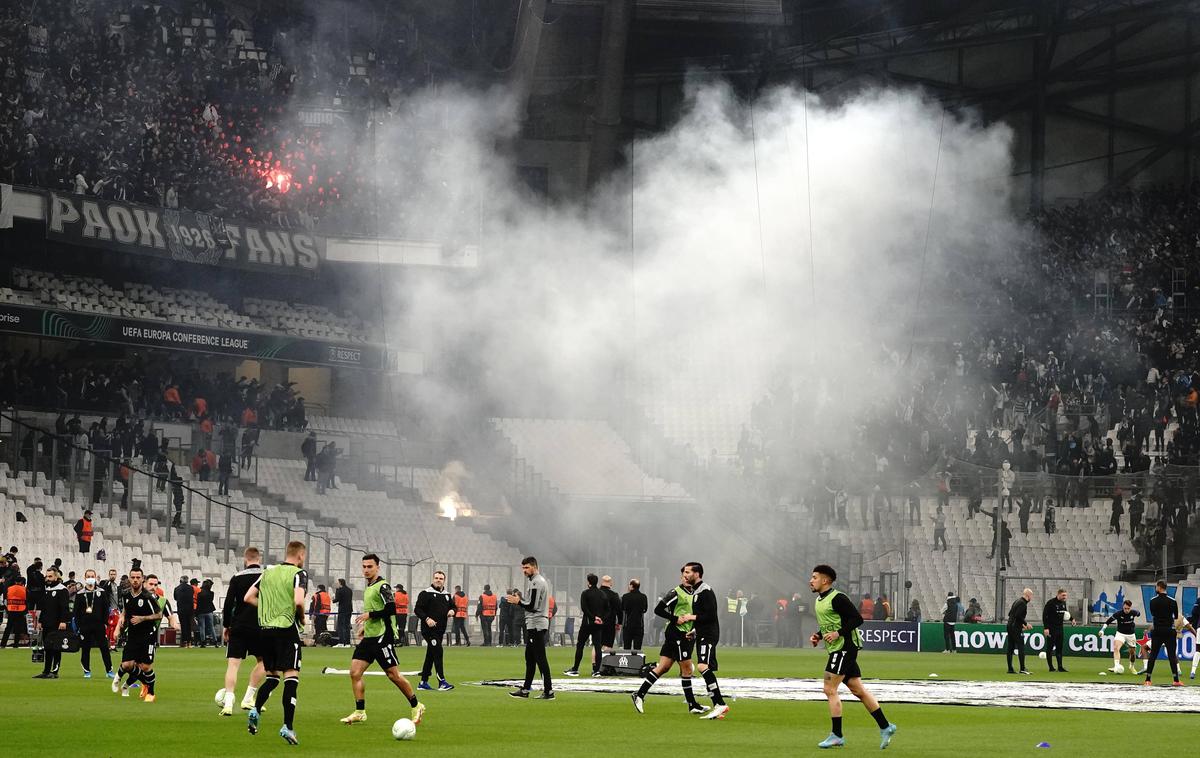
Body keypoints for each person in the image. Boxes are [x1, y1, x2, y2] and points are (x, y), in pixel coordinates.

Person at [808, 564, 897, 749]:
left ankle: (837, 735)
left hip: (845, 648)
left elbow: (857, 619)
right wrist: (818, 635)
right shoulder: (819, 600)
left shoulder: (838, 598)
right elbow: (831, 622)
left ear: (825, 580)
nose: (811, 580)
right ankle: (886, 726)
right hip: (838, 648)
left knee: (829, 688)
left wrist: (838, 633)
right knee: (858, 690)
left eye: (815, 577)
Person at [340, 554, 425, 727]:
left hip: (382, 637)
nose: (366, 570)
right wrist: (366, 625)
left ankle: (417, 705)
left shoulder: (383, 586)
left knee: (393, 675)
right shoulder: (369, 587)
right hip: (370, 637)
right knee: (355, 673)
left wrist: (369, 615)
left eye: (370, 566)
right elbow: (376, 609)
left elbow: (391, 609)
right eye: (364, 566)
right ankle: (360, 711)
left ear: (377, 567)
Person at [244, 540, 308, 744]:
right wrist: (301, 617)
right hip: (286, 630)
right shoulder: (298, 574)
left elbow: (248, 597)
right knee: (291, 677)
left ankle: (255, 710)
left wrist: (267, 609)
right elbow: (298, 601)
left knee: (272, 678)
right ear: (300, 556)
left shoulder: (268, 572)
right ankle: (287, 727)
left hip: (265, 631)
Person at [630, 563, 709, 715]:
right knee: (686, 669)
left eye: (688, 574)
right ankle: (692, 705)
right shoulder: (675, 592)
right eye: (684, 574)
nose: (686, 576)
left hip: (685, 633)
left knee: (663, 667)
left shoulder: (695, 593)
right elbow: (658, 609)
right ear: (681, 577)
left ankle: (639, 694)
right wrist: (674, 618)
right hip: (676, 633)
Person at [220, 547, 266, 716]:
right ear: (258, 559)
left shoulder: (237, 578)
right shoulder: (266, 576)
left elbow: (228, 603)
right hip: (260, 626)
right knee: (263, 661)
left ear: (245, 560)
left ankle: (229, 702)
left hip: (238, 625)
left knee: (233, 664)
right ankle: (248, 697)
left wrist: (226, 625)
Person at [685, 562, 730, 720]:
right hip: (703, 633)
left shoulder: (705, 591)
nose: (685, 575)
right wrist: (695, 631)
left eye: (688, 572)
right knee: (704, 667)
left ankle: (719, 704)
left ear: (697, 574)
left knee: (702, 666)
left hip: (709, 635)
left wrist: (691, 617)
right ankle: (718, 705)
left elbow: (711, 616)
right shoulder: (696, 592)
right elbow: (704, 617)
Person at [110, 567, 161, 699]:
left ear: (142, 579)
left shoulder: (147, 597)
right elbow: (125, 612)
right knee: (127, 664)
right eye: (133, 577)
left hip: (148, 635)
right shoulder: (126, 595)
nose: (135, 580)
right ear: (129, 578)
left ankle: (151, 693)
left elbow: (159, 614)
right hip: (132, 634)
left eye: (138, 577)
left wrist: (142, 618)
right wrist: (117, 628)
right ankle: (124, 680)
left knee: (145, 667)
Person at [506, 556, 554, 699]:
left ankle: (548, 691)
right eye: (523, 568)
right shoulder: (536, 581)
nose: (524, 571)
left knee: (540, 658)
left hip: (536, 624)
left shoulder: (536, 583)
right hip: (535, 624)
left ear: (534, 566)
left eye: (526, 568)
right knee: (530, 658)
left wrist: (518, 602)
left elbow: (532, 606)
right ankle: (526, 690)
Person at [414, 570, 455, 691]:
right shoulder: (425, 593)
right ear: (433, 579)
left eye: (441, 578)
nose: (438, 580)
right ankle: (442, 681)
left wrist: (453, 611)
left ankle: (423, 682)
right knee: (438, 652)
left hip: (440, 630)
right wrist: (427, 619)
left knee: (430, 655)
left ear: (444, 580)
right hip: (429, 631)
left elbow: (453, 606)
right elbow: (418, 609)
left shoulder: (447, 595)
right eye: (436, 578)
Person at [565, 573, 609, 677]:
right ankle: (596, 670)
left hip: (587, 623)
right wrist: (601, 618)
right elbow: (608, 609)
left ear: (588, 582)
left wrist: (593, 618)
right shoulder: (603, 594)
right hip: (598, 624)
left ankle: (575, 668)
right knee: (597, 646)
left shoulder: (585, 593)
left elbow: (584, 608)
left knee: (580, 645)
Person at [33, 565, 70, 679]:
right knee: (47, 647)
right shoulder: (46, 590)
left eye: (50, 576)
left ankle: (55, 671)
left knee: (56, 647)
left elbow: (64, 607)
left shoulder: (62, 589)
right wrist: (40, 621)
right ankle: (46, 671)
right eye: (47, 576)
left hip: (57, 624)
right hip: (47, 623)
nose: (48, 578)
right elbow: (43, 608)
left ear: (55, 577)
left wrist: (63, 621)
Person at [76, 569, 113, 678]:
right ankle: (86, 671)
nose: (90, 578)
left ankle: (109, 670)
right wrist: (79, 625)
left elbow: (106, 608)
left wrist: (105, 622)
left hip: (99, 625)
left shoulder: (101, 592)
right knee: (85, 649)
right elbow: (76, 612)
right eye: (88, 576)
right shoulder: (80, 594)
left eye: (92, 576)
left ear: (95, 577)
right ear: (85, 578)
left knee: (104, 648)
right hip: (85, 626)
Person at [1143, 580, 1181, 686]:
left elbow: (1153, 613)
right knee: (1172, 655)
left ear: (1159, 587)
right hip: (1169, 630)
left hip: (1157, 630)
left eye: (1156, 587)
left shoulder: (1152, 601)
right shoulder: (1172, 601)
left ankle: (1148, 679)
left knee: (1153, 655)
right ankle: (1176, 680)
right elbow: (1176, 616)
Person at [1098, 599, 1140, 674]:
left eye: (1128, 608)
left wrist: (1138, 613)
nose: (1126, 610)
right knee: (1116, 648)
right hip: (1120, 634)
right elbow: (1108, 622)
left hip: (1131, 635)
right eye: (1125, 608)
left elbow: (1138, 613)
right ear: (1122, 607)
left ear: (1131, 607)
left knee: (1132, 653)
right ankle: (1116, 666)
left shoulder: (1133, 612)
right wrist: (1102, 630)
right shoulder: (1118, 614)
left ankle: (1132, 666)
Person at [1004, 588, 1033, 675]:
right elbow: (1018, 616)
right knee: (1021, 647)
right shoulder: (1023, 604)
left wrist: (1021, 625)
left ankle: (1010, 668)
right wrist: (1025, 623)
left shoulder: (1017, 601)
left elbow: (1011, 614)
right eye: (1031, 596)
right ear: (1028, 595)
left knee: (1010, 648)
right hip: (1015, 627)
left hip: (1010, 626)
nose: (1031, 598)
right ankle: (1022, 668)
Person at [1042, 588, 1068, 673]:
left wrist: (1072, 619)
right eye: (1063, 595)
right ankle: (1051, 667)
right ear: (1058, 594)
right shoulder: (1051, 603)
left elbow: (1066, 614)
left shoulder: (1064, 603)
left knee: (1059, 648)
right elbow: (1044, 615)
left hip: (1060, 628)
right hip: (1051, 628)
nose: (1065, 597)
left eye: (1066, 595)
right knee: (1050, 648)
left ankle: (1060, 667)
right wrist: (1046, 628)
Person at [621, 578, 648, 650]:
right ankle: (637, 661)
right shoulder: (643, 597)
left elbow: (623, 608)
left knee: (627, 648)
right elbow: (645, 610)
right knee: (638, 648)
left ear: (631, 586)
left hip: (628, 625)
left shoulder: (625, 596)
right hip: (639, 625)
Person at [1, 577, 28, 648]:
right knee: (18, 628)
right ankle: (16, 644)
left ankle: (3, 644)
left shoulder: (9, 588)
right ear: (22, 582)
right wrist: (26, 611)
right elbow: (27, 600)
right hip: (21, 610)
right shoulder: (24, 589)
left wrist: (7, 609)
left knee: (8, 628)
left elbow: (5, 599)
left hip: (11, 610)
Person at [600, 576, 622, 660]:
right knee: (608, 645)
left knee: (597, 645)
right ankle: (606, 664)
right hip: (609, 623)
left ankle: (595, 666)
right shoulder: (614, 595)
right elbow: (619, 610)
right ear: (610, 582)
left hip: (597, 622)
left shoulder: (596, 593)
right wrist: (619, 622)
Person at [173, 576, 194, 648]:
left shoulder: (177, 588)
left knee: (183, 625)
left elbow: (175, 598)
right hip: (190, 609)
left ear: (180, 580)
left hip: (181, 609)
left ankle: (184, 642)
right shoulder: (191, 588)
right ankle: (189, 642)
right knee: (189, 626)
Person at [196, 579, 217, 646]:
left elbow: (198, 603)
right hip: (209, 611)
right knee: (211, 627)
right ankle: (215, 641)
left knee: (202, 627)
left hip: (201, 612)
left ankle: (203, 642)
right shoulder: (211, 593)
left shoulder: (199, 594)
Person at [335, 578, 353, 646]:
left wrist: (336, 592)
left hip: (342, 610)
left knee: (341, 626)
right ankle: (348, 643)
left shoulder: (340, 590)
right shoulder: (349, 590)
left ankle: (341, 642)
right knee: (347, 626)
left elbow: (337, 599)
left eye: (337, 583)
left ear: (340, 583)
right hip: (349, 609)